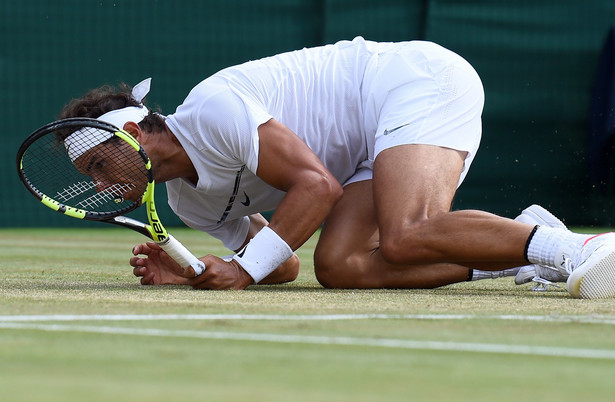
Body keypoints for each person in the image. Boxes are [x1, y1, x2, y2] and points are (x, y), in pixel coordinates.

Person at [58, 36, 615, 299]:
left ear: (130, 132)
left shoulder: (212, 109)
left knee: (405, 233)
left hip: (411, 82)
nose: (100, 184)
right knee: (342, 265)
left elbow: (316, 187)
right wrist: (196, 269)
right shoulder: (185, 199)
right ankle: (524, 251)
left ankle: (580, 252)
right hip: (362, 154)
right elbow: (282, 266)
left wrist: (243, 270)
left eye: (98, 164)